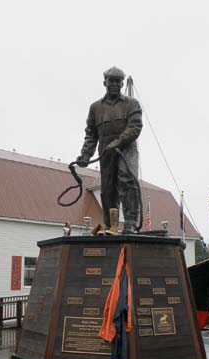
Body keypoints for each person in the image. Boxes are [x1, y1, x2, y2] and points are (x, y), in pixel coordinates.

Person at [76, 67, 143, 234]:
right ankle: (109, 225)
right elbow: (91, 134)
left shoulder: (131, 104)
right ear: (104, 82)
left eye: (117, 81)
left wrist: (118, 142)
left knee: (126, 180)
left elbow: (135, 127)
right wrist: (85, 154)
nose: (114, 84)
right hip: (106, 152)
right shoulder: (95, 108)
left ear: (121, 83)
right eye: (111, 80)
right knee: (107, 189)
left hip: (126, 151)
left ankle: (130, 223)